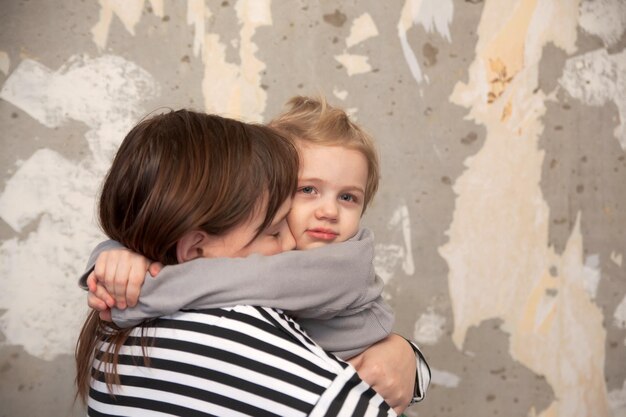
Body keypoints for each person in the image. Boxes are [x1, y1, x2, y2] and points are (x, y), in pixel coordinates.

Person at [81, 98, 429, 412]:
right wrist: (118, 255)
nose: (329, 211)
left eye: (349, 197)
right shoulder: (228, 329)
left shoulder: (343, 265)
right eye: (307, 190)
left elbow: (213, 277)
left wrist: (135, 290)